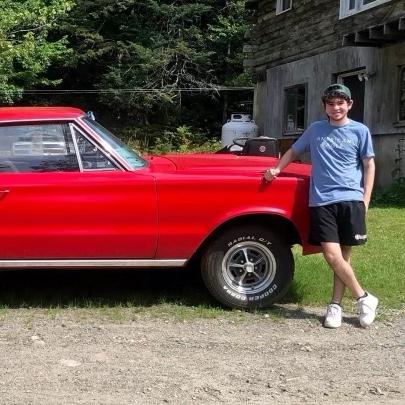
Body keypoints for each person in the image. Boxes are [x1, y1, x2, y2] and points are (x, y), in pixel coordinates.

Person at [264, 83, 378, 329]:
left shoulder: (360, 131)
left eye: (340, 103)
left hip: (350, 199)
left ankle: (335, 306)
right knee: (331, 255)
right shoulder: (315, 130)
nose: (336, 107)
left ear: (349, 105)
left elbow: (369, 165)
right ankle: (364, 297)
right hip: (322, 200)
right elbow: (293, 151)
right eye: (331, 103)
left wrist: (365, 199)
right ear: (324, 106)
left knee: (343, 257)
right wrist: (276, 169)